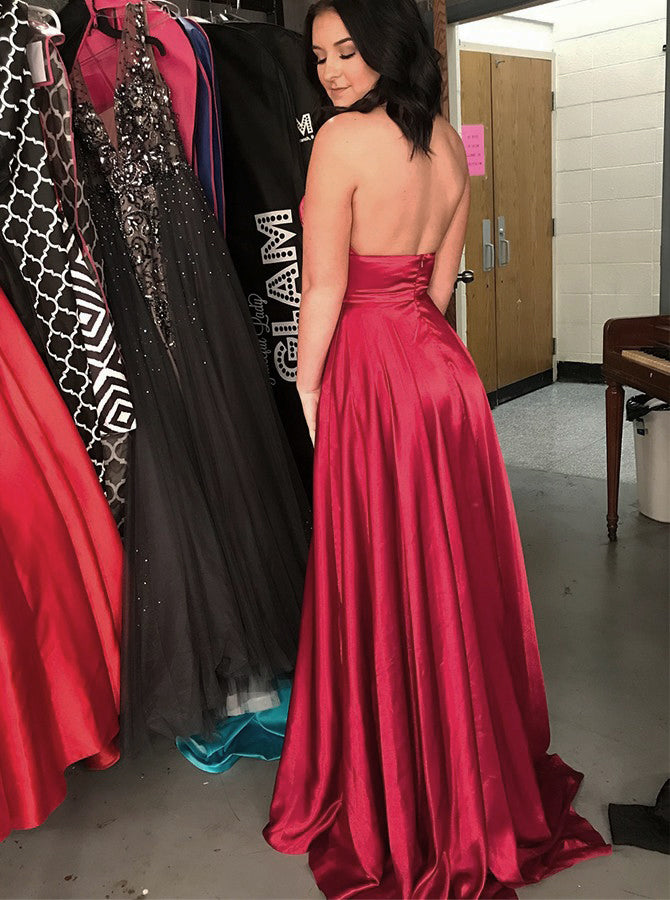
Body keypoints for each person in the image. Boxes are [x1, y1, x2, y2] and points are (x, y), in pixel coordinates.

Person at [263, 1, 611, 897]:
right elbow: (442, 285)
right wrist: (419, 361)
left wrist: (309, 388)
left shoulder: (340, 141)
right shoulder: (452, 144)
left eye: (346, 49)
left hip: (374, 375)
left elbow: (327, 284)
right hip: (441, 374)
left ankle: (404, 784)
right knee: (449, 572)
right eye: (320, 56)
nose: (332, 70)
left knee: (384, 568)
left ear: (386, 46)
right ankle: (468, 770)